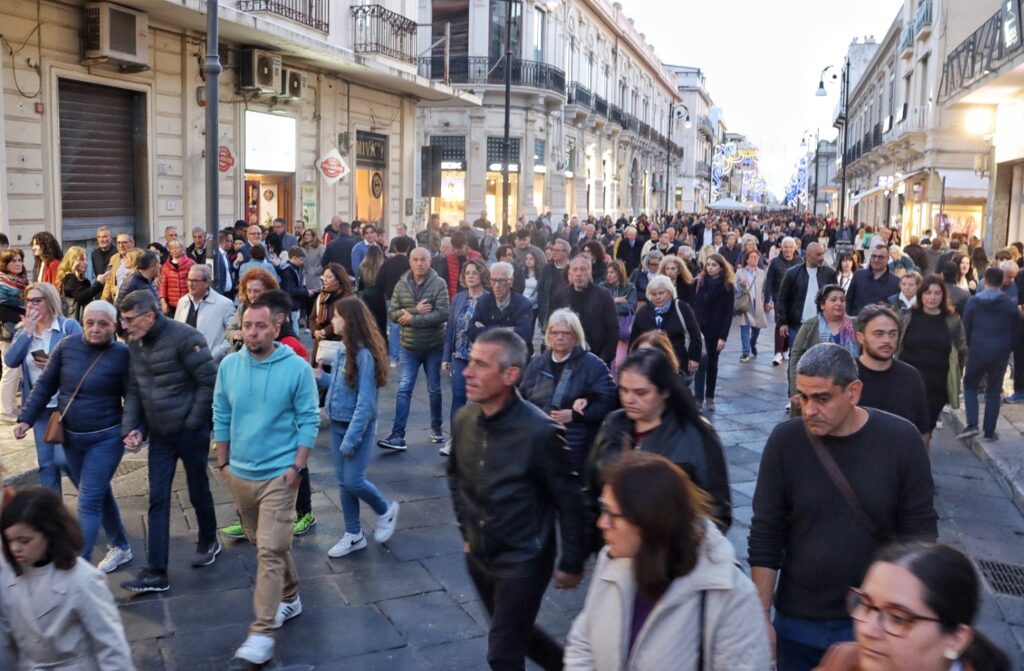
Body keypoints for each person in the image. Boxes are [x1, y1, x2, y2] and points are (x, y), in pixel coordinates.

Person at [749, 343, 938, 671]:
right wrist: (761, 617)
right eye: (802, 397)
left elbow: (920, 536)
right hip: (797, 620)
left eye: (822, 398)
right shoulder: (785, 442)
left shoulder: (901, 441)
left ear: (853, 392)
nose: (809, 410)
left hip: (872, 623)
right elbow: (766, 532)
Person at [448, 328, 584, 671]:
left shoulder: (541, 432)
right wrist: (467, 532)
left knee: (502, 653)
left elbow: (569, 500)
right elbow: (455, 477)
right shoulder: (464, 420)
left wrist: (572, 560)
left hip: (524, 559)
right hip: (478, 555)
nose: (467, 371)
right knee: (516, 633)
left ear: (510, 375)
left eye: (480, 364)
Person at [565, 451, 770, 670]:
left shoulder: (729, 595)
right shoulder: (614, 560)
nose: (602, 523)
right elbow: (583, 639)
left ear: (648, 521)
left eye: (611, 514)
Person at [212, 299, 319, 665]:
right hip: (240, 474)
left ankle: (261, 632)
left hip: (279, 475)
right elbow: (221, 412)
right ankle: (290, 597)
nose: (252, 332)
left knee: (269, 552)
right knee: (265, 543)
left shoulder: (296, 368)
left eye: (260, 326)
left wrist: (297, 467)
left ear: (275, 327)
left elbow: (309, 418)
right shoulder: (229, 366)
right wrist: (222, 461)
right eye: (247, 326)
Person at [13, 301, 134, 572]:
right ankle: (122, 546)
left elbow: (133, 396)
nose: (95, 328)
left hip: (106, 439)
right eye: (90, 322)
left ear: (114, 326)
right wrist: (26, 419)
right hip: (71, 438)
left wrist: (134, 430)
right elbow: (44, 386)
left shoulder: (121, 354)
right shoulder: (67, 347)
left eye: (103, 324)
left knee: (88, 500)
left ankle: (76, 569)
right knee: (99, 493)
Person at [119, 290, 220, 593]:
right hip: (159, 431)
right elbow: (136, 388)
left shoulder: (185, 336)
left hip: (190, 429)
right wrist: (132, 427)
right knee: (157, 497)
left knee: (197, 485)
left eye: (129, 319)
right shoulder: (134, 343)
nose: (125, 326)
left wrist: (192, 422)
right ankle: (156, 571)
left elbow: (209, 381)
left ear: (150, 316)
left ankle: (208, 539)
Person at [590, 348, 732, 536]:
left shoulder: (696, 435)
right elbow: (590, 489)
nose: (629, 399)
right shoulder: (613, 424)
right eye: (624, 390)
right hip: (617, 546)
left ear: (664, 391)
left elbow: (717, 511)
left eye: (641, 393)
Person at [815, 544, 1011, 671]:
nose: (867, 629)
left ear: (956, 640)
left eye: (898, 618)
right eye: (866, 605)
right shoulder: (842, 661)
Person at [0, 487, 134, 670]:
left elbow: (111, 646)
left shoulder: (83, 580)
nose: (15, 548)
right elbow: (5, 639)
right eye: (10, 541)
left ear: (48, 534)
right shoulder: (8, 576)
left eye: (24, 541)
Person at [314, 298, 400, 560]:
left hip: (356, 429)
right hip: (340, 423)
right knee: (344, 483)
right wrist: (321, 377)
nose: (333, 321)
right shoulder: (344, 350)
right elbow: (342, 385)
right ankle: (353, 534)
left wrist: (350, 440)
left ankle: (385, 510)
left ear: (349, 321)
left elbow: (365, 404)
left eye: (337, 316)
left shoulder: (364, 356)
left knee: (353, 480)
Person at [5, 282, 82, 492]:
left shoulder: (68, 327)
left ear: (50, 301)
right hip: (40, 410)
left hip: (68, 408)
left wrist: (54, 365)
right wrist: (26, 332)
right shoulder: (25, 332)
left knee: (68, 462)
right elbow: (11, 360)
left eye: (37, 300)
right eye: (28, 301)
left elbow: (84, 362)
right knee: (47, 466)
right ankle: (53, 521)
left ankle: (94, 506)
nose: (31, 306)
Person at [520, 308, 617, 472]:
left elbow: (609, 400)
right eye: (555, 333)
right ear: (548, 335)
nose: (559, 337)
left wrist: (576, 415)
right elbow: (523, 399)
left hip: (577, 445)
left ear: (576, 336)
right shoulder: (537, 364)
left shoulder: (593, 365)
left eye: (566, 333)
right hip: (539, 443)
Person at [379, 247, 450, 451]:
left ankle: (437, 428)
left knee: (434, 389)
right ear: (409, 262)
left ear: (429, 261)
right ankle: (397, 435)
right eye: (416, 260)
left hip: (433, 346)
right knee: (403, 389)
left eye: (424, 260)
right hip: (408, 346)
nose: (420, 263)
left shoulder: (438, 284)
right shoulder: (401, 284)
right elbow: (392, 313)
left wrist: (413, 320)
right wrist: (414, 311)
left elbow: (444, 313)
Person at [958, 266, 1021, 441]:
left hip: (978, 349)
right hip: (999, 352)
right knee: (993, 391)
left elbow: (966, 326)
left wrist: (971, 346)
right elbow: (1017, 330)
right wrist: (1008, 348)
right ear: (1002, 281)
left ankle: (972, 424)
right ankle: (989, 431)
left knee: (970, 385)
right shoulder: (1009, 304)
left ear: (984, 280)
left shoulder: (974, 302)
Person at [854, 304, 932, 443]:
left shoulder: (911, 377)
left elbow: (922, 431)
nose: (887, 340)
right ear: (860, 337)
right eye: (878, 334)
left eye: (892, 334)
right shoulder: (846, 376)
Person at [899, 277, 966, 434]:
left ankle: (922, 458)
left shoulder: (952, 321)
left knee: (926, 429)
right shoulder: (907, 317)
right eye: (928, 293)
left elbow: (961, 350)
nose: (932, 297)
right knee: (906, 428)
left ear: (943, 296)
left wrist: (956, 376)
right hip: (907, 382)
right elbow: (897, 345)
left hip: (936, 385)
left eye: (937, 293)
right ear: (921, 294)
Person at [441, 259, 490, 457]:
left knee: (481, 400)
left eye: (474, 273)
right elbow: (451, 329)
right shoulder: (458, 298)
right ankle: (455, 439)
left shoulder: (488, 299)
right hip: (459, 354)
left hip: (480, 358)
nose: (470, 276)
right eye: (468, 272)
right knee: (458, 397)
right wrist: (447, 356)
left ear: (482, 276)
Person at [789, 286, 860, 404]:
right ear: (822, 304)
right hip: (815, 388)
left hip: (846, 389)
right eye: (833, 300)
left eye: (842, 300)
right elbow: (796, 357)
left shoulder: (855, 325)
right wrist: (794, 389)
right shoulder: (810, 325)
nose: (839, 303)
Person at [551, 256, 619, 367]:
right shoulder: (561, 295)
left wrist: (604, 358)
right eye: (575, 269)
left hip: (597, 359)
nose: (578, 273)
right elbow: (554, 326)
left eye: (583, 269)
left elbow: (613, 329)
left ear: (590, 272)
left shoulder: (603, 295)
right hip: (567, 360)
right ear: (570, 273)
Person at [629, 274, 702, 377]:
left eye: (661, 293)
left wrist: (694, 358)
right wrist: (632, 362)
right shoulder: (643, 312)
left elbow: (695, 333)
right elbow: (634, 339)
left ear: (669, 292)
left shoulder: (682, 308)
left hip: (678, 362)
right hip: (649, 364)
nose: (657, 297)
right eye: (654, 294)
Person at [692, 254, 735, 411]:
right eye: (708, 264)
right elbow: (694, 305)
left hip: (715, 330)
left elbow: (728, 313)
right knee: (700, 363)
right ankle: (698, 397)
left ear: (721, 267)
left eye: (714, 265)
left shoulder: (727, 286)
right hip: (699, 330)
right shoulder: (699, 282)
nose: (710, 267)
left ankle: (710, 397)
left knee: (712, 365)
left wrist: (723, 337)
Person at [776, 242, 838, 350]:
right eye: (818, 255)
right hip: (797, 326)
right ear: (809, 256)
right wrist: (783, 322)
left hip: (822, 326)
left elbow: (835, 297)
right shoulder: (792, 274)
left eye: (822, 254)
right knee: (796, 359)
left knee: (819, 359)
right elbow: (782, 299)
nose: (822, 258)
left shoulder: (829, 274)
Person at [174, 264, 236, 363]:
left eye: (195, 281)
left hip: (210, 364)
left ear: (207, 283)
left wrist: (215, 354)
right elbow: (175, 331)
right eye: (189, 280)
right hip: (184, 363)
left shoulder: (225, 304)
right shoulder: (183, 301)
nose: (190, 284)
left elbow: (232, 335)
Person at [467, 261, 534, 346]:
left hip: (513, 355)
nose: (497, 285)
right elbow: (472, 332)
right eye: (494, 280)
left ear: (511, 281)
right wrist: (508, 330)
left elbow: (524, 335)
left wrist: (486, 330)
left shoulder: (523, 304)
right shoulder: (483, 302)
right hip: (489, 354)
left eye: (502, 280)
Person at [765, 237, 801, 365]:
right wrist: (767, 300)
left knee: (791, 324)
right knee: (780, 323)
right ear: (781, 248)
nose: (788, 250)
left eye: (790, 247)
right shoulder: (775, 262)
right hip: (779, 298)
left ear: (794, 248)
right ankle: (778, 352)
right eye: (785, 247)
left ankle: (786, 349)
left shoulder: (800, 261)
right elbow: (769, 282)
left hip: (796, 299)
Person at [0, 249, 27, 422]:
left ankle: (11, 405)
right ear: (5, 264)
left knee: (17, 372)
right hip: (9, 331)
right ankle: (4, 410)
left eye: (19, 260)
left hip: (22, 329)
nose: (17, 263)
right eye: (13, 261)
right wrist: (20, 317)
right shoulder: (2, 282)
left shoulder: (21, 281)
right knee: (9, 370)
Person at [226, 268, 280, 352]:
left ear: (268, 291)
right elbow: (229, 330)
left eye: (256, 291)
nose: (252, 295)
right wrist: (234, 335)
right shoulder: (242, 307)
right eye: (249, 291)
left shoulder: (276, 310)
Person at [310, 263, 353, 364]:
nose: (325, 280)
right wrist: (315, 331)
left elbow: (342, 320)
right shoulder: (321, 295)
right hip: (319, 344)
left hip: (337, 343)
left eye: (329, 277)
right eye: (324, 277)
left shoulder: (346, 298)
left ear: (339, 279)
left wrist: (325, 331)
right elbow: (312, 317)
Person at [601, 260, 637, 372]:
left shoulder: (630, 287)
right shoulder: (603, 286)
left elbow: (631, 307)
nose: (609, 275)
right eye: (607, 272)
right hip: (606, 328)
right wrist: (616, 300)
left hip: (623, 328)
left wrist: (610, 304)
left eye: (612, 272)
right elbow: (601, 306)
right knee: (606, 362)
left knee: (619, 363)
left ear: (619, 272)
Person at [846, 243, 901, 315]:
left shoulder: (896, 282)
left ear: (888, 259)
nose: (876, 260)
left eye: (881, 257)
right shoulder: (859, 275)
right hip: (858, 322)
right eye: (874, 256)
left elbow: (897, 308)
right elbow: (848, 300)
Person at [736, 248, 768, 362]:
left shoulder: (762, 273)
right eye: (752, 257)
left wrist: (767, 302)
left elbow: (764, 289)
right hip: (745, 303)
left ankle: (752, 343)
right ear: (747, 259)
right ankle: (745, 352)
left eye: (756, 257)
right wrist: (741, 284)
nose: (754, 259)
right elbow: (735, 289)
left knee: (757, 328)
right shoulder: (740, 272)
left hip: (757, 303)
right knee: (744, 328)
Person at [57, 246, 103, 323]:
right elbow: (82, 297)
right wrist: (98, 283)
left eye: (85, 259)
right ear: (73, 261)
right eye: (82, 260)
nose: (86, 263)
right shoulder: (70, 279)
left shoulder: (78, 278)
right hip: (75, 321)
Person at [356, 245, 388, 340]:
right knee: (381, 325)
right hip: (380, 298)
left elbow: (359, 286)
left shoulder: (362, 267)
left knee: (368, 324)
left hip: (366, 298)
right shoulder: (383, 266)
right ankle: (382, 347)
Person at [277, 246, 308, 333]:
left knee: (293, 323)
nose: (302, 262)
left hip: (290, 302)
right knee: (294, 325)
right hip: (291, 303)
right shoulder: (289, 271)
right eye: (301, 259)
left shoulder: (288, 268)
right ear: (294, 258)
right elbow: (290, 290)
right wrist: (306, 292)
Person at [100, 232, 135, 302]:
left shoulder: (139, 258)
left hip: (133, 301)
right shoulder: (113, 259)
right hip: (118, 301)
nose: (121, 245)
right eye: (118, 243)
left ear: (132, 243)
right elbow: (109, 280)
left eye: (124, 242)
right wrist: (103, 300)